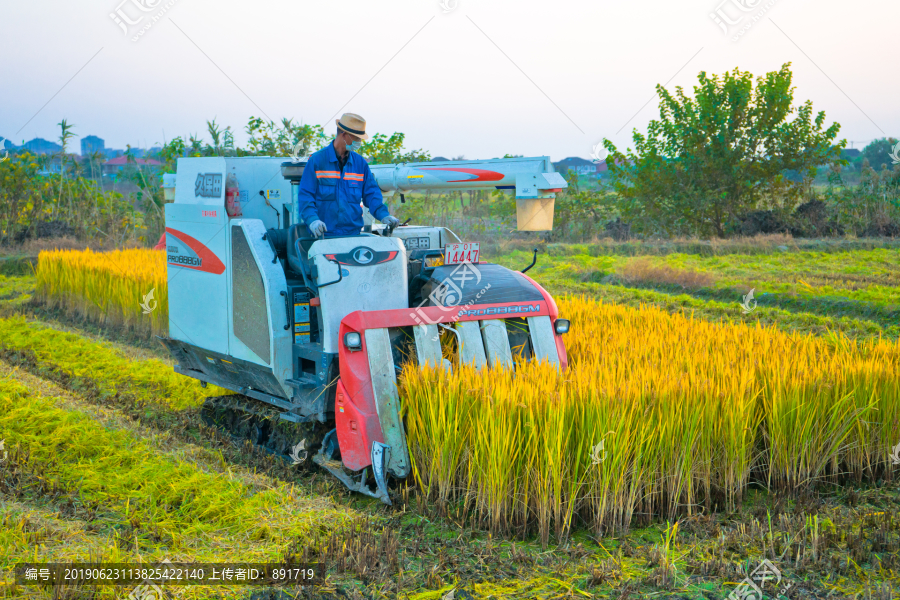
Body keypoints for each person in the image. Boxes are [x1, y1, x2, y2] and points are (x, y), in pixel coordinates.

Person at [296, 113, 400, 238]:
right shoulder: (316, 161)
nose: (359, 142)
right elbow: (305, 196)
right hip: (323, 237)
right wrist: (313, 220)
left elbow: (372, 194)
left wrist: (384, 215)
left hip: (353, 235)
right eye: (357, 138)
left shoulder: (360, 164)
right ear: (344, 135)